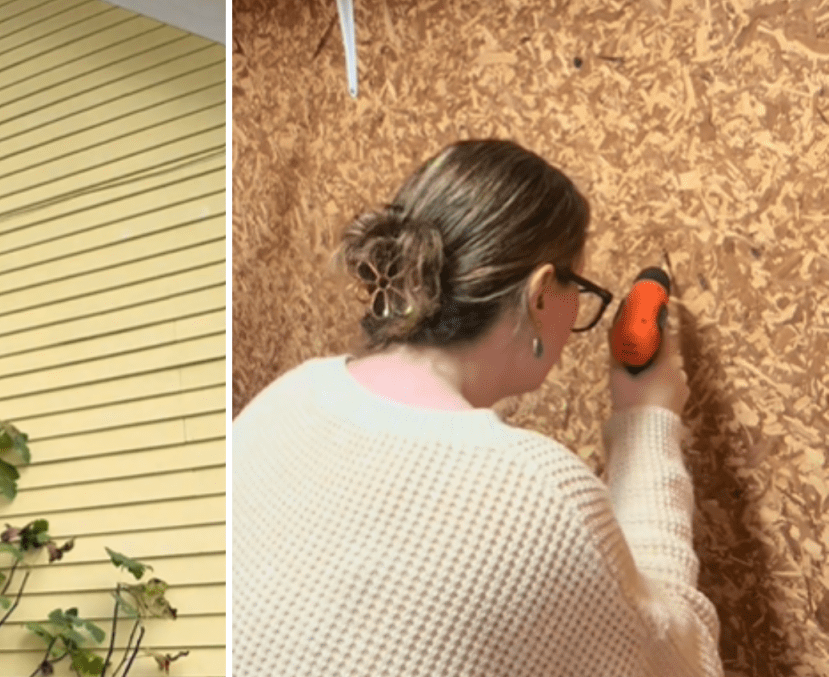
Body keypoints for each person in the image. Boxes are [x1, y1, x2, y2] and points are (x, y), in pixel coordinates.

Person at [232, 139, 722, 676]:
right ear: (540, 294)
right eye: (579, 287)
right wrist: (646, 420)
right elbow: (682, 663)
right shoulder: (537, 492)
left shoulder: (283, 399)